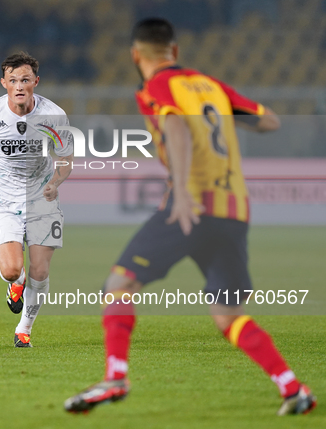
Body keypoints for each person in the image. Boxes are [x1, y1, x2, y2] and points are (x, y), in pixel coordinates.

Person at [64, 18, 316, 415]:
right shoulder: (211, 86)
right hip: (234, 209)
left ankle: (115, 376)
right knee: (228, 314)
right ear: (175, 51)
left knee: (119, 283)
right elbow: (269, 121)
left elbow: (176, 126)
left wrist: (180, 191)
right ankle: (293, 388)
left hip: (192, 205)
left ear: (136, 55)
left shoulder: (156, 87)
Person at [0, 52, 73, 347]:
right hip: (5, 197)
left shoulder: (54, 116)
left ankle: (24, 329)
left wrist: (56, 182)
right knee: (13, 269)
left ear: (36, 81)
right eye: (13, 80)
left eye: (25, 79)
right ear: (4, 83)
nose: (19, 85)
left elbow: (65, 158)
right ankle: (16, 284)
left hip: (41, 196)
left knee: (41, 270)